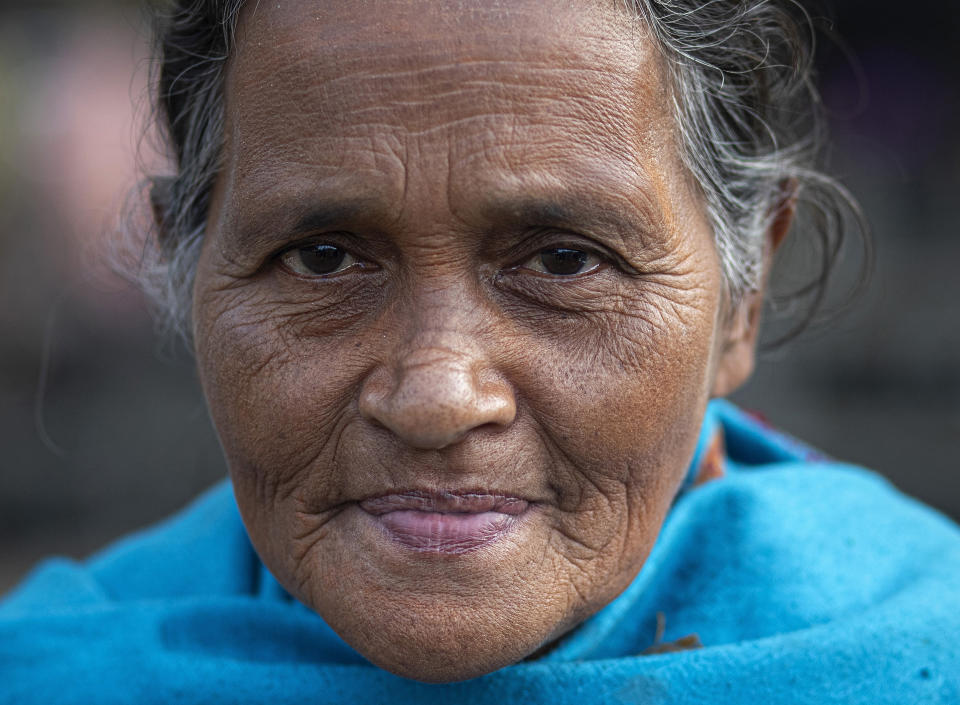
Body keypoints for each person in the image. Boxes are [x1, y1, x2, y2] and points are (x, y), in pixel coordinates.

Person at [2, 0, 959, 701]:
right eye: (324, 258)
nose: (437, 396)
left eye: (564, 259)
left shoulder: (922, 658)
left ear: (744, 296)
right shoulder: (54, 670)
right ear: (185, 266)